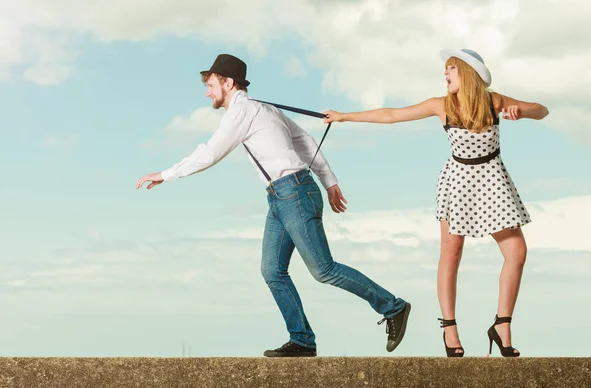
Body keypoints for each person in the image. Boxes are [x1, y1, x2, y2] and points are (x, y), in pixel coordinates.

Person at [136, 54, 411, 357]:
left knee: (323, 270)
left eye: (211, 84)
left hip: (293, 192)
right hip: (281, 196)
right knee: (272, 271)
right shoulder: (264, 109)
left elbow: (210, 153)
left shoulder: (243, 112)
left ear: (228, 83)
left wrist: (165, 174)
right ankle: (302, 340)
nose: (207, 92)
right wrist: (329, 181)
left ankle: (393, 306)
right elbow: (305, 141)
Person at [323, 49, 549, 357]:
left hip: (493, 179)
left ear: (468, 73)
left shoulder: (493, 101)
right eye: (446, 70)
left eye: (451, 69)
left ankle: (502, 324)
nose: (445, 75)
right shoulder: (441, 105)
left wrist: (522, 112)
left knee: (517, 252)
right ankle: (449, 329)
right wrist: (344, 116)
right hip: (458, 181)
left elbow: (542, 110)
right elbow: (391, 115)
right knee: (452, 251)